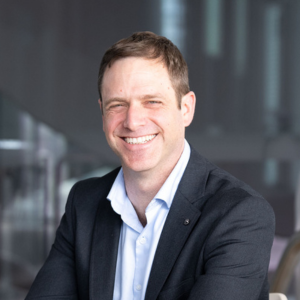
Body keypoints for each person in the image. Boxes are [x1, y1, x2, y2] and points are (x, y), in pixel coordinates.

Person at [25, 31, 275, 300]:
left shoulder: (240, 215)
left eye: (152, 102)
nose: (132, 121)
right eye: (117, 105)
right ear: (102, 112)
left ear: (186, 108)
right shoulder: (83, 204)